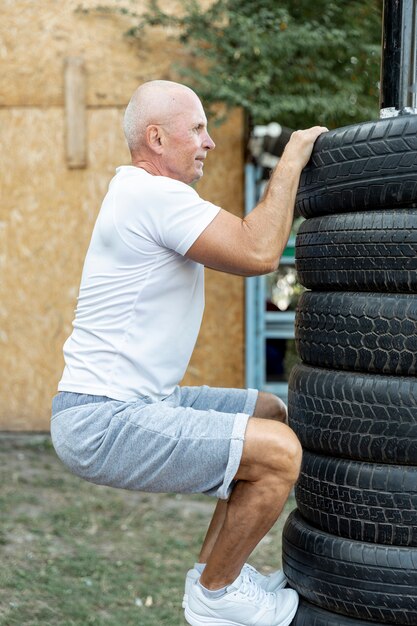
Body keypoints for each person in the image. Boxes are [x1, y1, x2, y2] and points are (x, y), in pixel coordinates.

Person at [51, 79, 327, 626]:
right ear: (156, 138)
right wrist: (291, 159)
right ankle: (217, 593)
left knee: (266, 413)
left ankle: (211, 579)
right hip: (103, 419)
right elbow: (258, 250)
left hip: (142, 401)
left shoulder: (142, 194)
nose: (209, 142)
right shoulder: (151, 195)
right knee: (279, 453)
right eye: (197, 129)